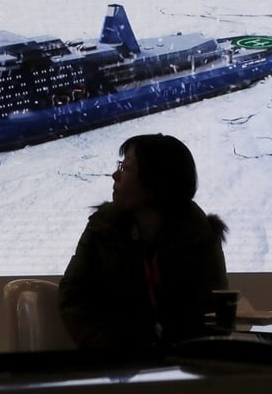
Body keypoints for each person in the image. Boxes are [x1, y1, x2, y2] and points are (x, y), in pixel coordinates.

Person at [58, 133, 229, 356]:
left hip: (184, 368)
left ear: (156, 183)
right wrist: (105, 349)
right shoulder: (102, 227)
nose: (115, 175)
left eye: (126, 168)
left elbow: (213, 312)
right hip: (113, 363)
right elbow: (74, 297)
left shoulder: (199, 235)